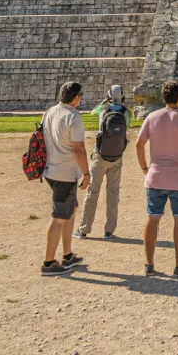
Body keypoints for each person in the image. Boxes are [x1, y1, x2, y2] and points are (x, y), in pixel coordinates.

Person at [136, 80, 178, 277]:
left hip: (155, 176)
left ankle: (149, 264)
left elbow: (139, 145)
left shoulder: (151, 117)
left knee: (153, 218)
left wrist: (144, 168)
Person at [40, 81, 89, 276]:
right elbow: (79, 149)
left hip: (52, 169)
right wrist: (86, 174)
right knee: (59, 217)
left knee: (70, 210)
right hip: (65, 173)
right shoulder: (73, 117)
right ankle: (48, 262)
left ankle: (67, 255)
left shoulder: (50, 112)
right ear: (76, 98)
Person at [74, 84, 130, 240]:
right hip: (117, 156)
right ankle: (109, 230)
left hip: (100, 154)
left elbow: (93, 112)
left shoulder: (103, 109)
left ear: (109, 95)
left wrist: (104, 102)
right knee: (113, 193)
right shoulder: (126, 113)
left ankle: (84, 229)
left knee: (93, 192)